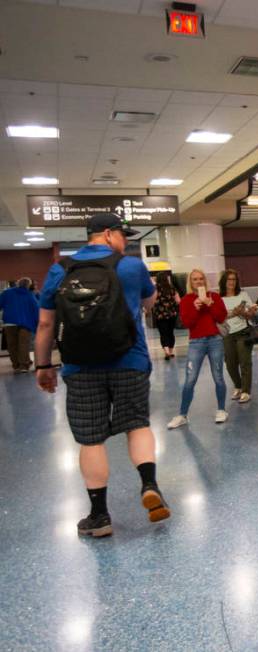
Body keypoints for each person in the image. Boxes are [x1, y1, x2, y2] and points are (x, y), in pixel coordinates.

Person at [34, 212, 169, 538]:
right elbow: (149, 301)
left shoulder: (60, 270)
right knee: (137, 425)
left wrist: (42, 366)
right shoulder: (132, 266)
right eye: (123, 235)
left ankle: (99, 515)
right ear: (107, 234)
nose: (126, 241)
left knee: (90, 439)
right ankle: (150, 485)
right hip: (130, 362)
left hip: (81, 367)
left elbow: (45, 324)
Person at [168, 269, 229, 428]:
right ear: (190, 282)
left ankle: (221, 410)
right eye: (195, 279)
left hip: (215, 340)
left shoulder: (214, 296)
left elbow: (222, 317)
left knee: (218, 377)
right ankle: (182, 414)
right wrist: (195, 308)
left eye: (201, 278)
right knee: (190, 379)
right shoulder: (186, 300)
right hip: (196, 342)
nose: (199, 282)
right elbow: (188, 324)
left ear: (205, 280)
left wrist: (210, 305)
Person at [219, 269, 257, 404]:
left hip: (243, 332)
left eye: (234, 279)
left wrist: (248, 312)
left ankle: (246, 391)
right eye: (229, 279)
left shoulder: (243, 295)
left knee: (244, 361)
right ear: (224, 281)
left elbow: (250, 314)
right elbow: (218, 317)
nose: (231, 282)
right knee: (230, 363)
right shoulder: (219, 298)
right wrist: (232, 313)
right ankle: (238, 385)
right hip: (227, 334)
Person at [0, 277, 39, 373]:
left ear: (18, 283)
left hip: (9, 322)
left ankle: (16, 365)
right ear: (28, 285)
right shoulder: (30, 295)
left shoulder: (6, 293)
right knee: (23, 344)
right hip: (26, 323)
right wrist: (38, 324)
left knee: (12, 345)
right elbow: (36, 310)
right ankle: (23, 366)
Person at [152, 271, 180, 360]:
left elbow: (151, 301)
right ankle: (171, 351)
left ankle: (166, 351)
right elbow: (178, 301)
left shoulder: (155, 289)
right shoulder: (172, 288)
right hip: (172, 315)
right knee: (170, 333)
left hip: (160, 316)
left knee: (163, 333)